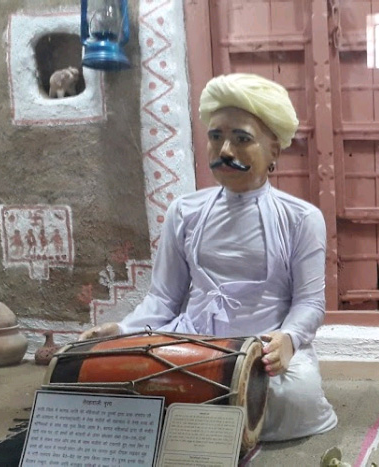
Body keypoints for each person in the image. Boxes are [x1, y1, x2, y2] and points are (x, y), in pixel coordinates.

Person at [79, 73, 338, 442]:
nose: (225, 151)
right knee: (125, 373)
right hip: (191, 343)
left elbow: (309, 302)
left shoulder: (301, 218)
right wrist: (122, 330)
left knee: (296, 395)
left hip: (262, 348)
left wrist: (289, 340)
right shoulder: (184, 212)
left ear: (274, 151)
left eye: (242, 139)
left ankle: (199, 419)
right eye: (216, 137)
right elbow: (163, 298)